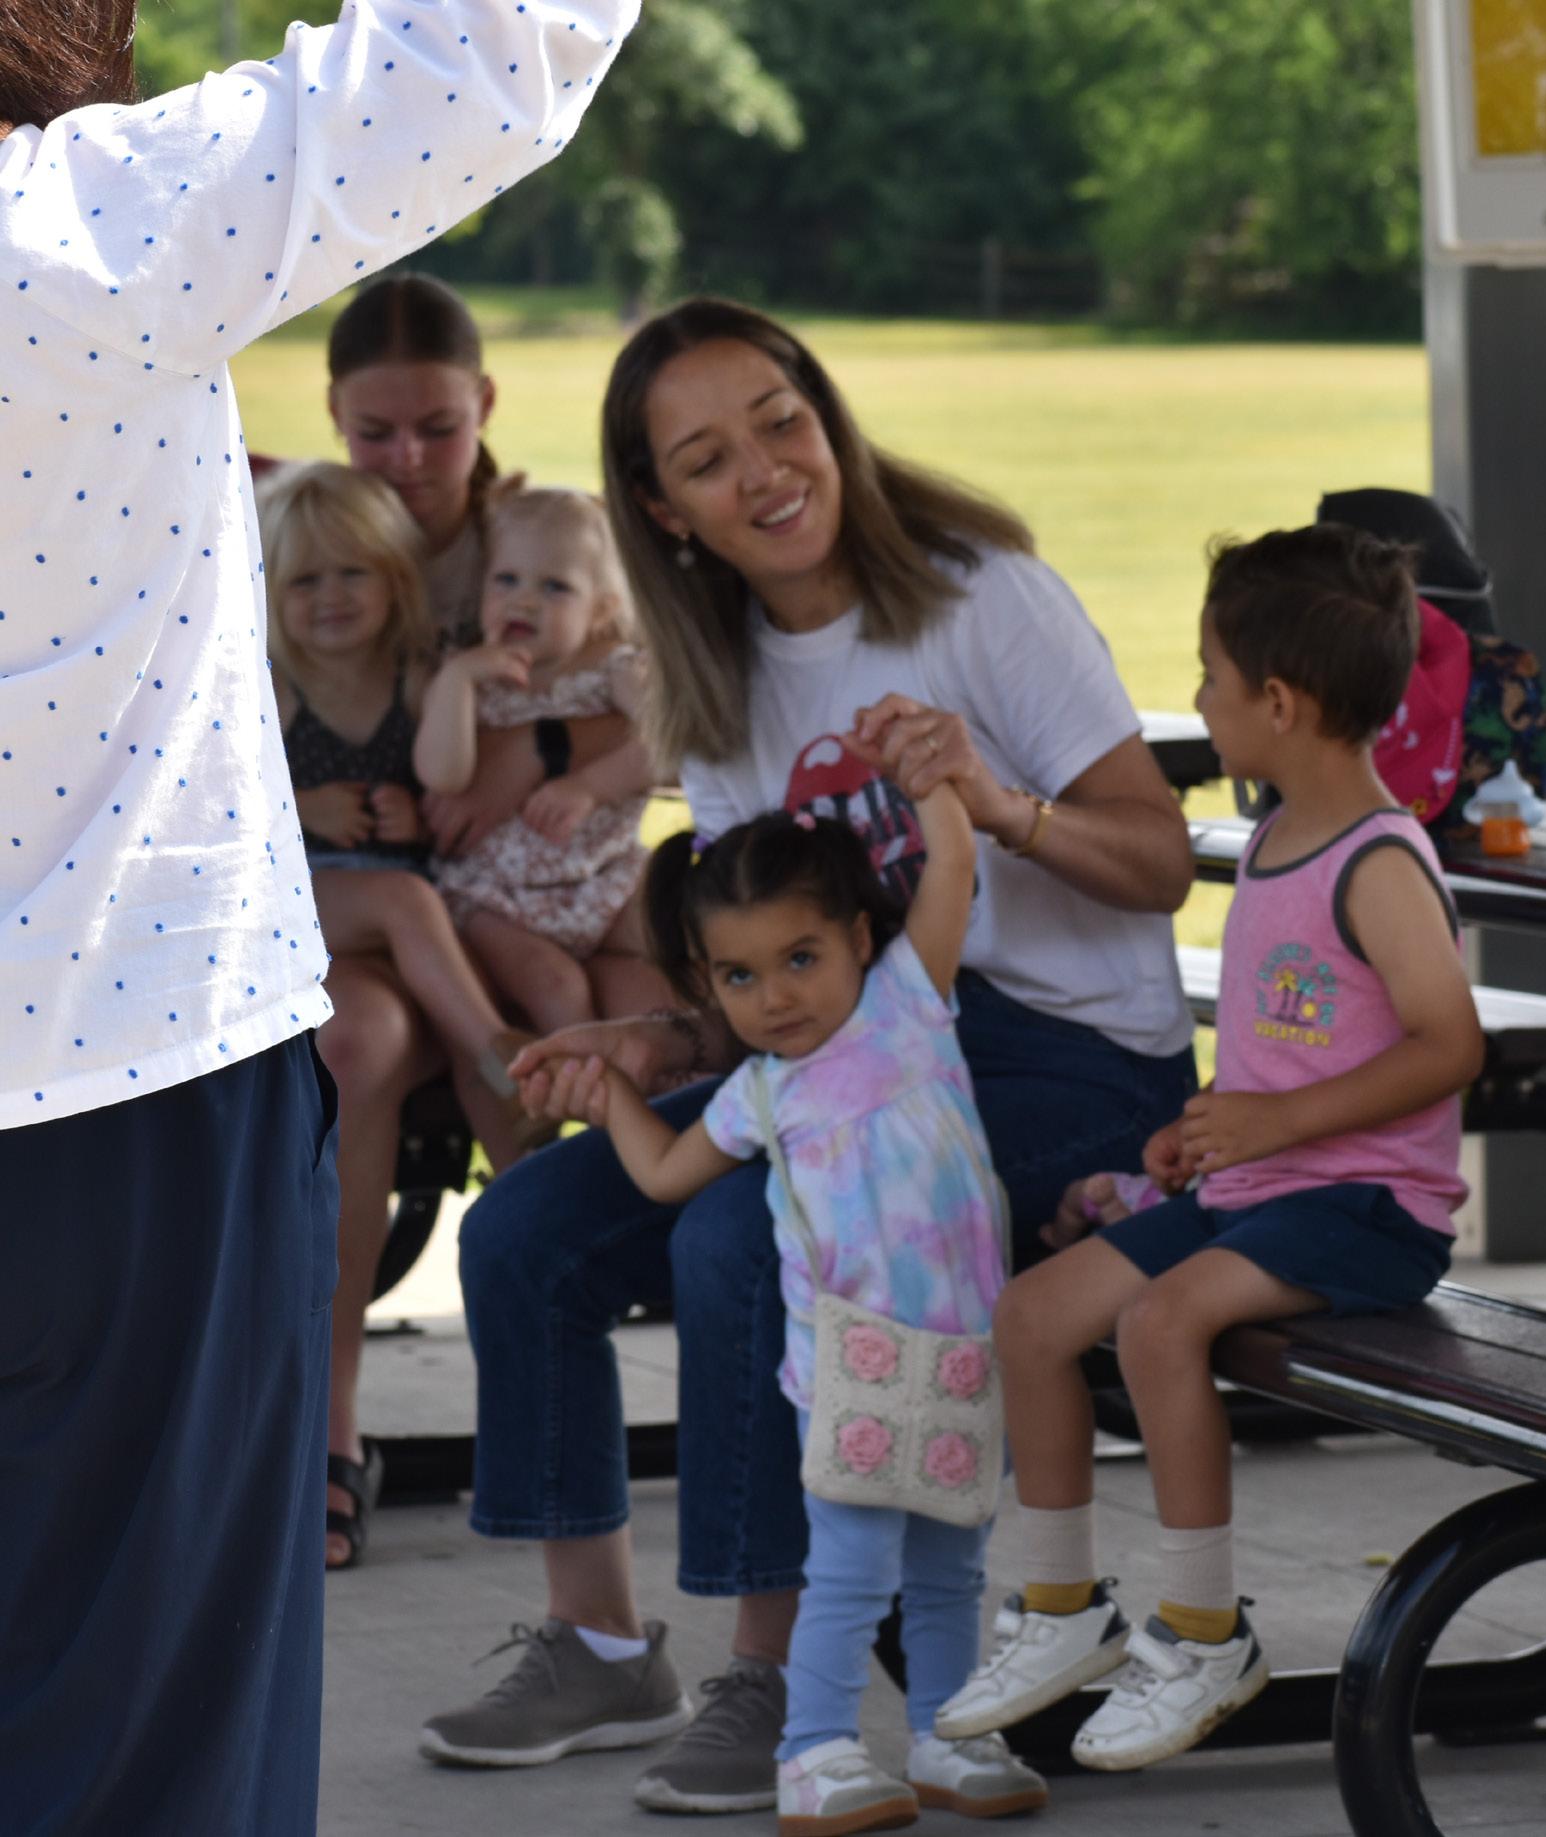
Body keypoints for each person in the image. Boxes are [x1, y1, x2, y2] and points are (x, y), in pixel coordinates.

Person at [418, 299, 1197, 1816]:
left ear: (827, 416)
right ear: (663, 510)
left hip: (1070, 1061)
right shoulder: (711, 679)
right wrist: (650, 1036)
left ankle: (774, 1679)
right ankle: (598, 1643)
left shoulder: (984, 598)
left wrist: (1001, 804)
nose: (766, 471)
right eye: (707, 459)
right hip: (851, 1053)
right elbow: (763, 978)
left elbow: (1161, 861)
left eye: (781, 421)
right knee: (521, 1230)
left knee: (745, 1232)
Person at [0, 1, 641, 1829]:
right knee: (150, 1734)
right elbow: (498, 49)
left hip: (130, 1071)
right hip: (123, 1083)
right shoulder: (92, 226)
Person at [931, 525, 1486, 1772]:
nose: (1195, 698)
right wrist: (1198, 1136)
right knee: (1030, 1314)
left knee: (1157, 1322)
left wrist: (1274, 1123)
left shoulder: (1377, 860)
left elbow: (1449, 1044)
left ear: (1278, 703)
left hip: (1365, 1210)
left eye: (1209, 676)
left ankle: (1201, 1632)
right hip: (1261, 1190)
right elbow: (1296, 1043)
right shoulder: (1277, 838)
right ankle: (1062, 1607)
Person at [583, 801, 1050, 1832]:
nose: (776, 996)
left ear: (859, 938)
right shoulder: (759, 1093)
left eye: (800, 958)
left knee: (950, 1567)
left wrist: (936, 782)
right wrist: (611, 1091)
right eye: (740, 976)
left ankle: (943, 1735)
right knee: (849, 1570)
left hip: (966, 1357)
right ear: (707, 982)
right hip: (850, 1374)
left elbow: (954, 863)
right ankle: (815, 1750)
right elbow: (663, 1173)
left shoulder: (908, 1004)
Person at [317, 274, 661, 1566]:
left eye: (437, 428)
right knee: (355, 1042)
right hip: (376, 900)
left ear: (486, 407)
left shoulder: (532, 537)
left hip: (530, 887)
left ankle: (597, 1376)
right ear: (334, 417)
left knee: (648, 1003)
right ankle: (330, 1427)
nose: (408, 459)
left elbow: (652, 689)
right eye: (376, 431)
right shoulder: (318, 531)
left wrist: (535, 755)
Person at [261, 461, 550, 1564]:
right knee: (398, 900)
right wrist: (307, 804)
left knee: (367, 1033)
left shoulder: (419, 675)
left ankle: (528, 1365)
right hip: (301, 916)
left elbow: (467, 772)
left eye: (353, 575)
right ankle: (502, 1062)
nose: (330, 599)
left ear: (394, 578)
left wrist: (421, 804)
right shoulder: (264, 685)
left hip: (394, 973)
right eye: (303, 582)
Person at [416, 484, 673, 1030]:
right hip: (494, 899)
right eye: (506, 580)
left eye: (555, 587)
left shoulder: (613, 668)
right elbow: (443, 775)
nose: (524, 601)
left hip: (604, 879)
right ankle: (570, 1084)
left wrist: (590, 786)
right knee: (557, 988)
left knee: (681, 941)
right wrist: (457, 681)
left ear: (600, 609)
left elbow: (671, 745)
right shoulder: (470, 673)